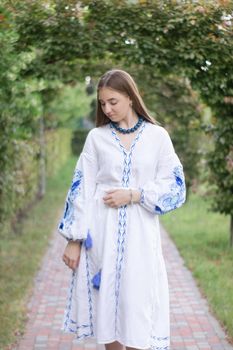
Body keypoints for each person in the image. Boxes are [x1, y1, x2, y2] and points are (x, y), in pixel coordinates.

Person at [58, 69, 186, 350]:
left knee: (137, 306)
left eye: (113, 101)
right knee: (108, 310)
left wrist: (134, 194)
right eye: (102, 103)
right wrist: (74, 240)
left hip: (141, 235)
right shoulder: (96, 138)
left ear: (130, 97)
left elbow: (175, 188)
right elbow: (81, 188)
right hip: (101, 234)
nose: (107, 108)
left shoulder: (158, 137)